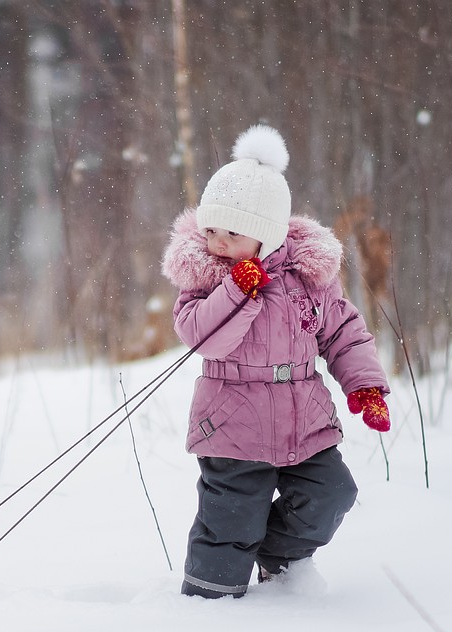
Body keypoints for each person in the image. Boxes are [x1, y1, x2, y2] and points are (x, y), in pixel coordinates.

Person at [159, 124, 390, 599]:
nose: (218, 242)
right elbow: (202, 337)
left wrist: (363, 384)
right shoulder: (207, 275)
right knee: (231, 517)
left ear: (268, 234)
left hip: (303, 416)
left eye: (232, 233)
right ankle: (210, 600)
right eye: (212, 230)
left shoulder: (309, 276)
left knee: (331, 494)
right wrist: (235, 290)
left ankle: (280, 561)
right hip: (232, 421)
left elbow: (343, 331)